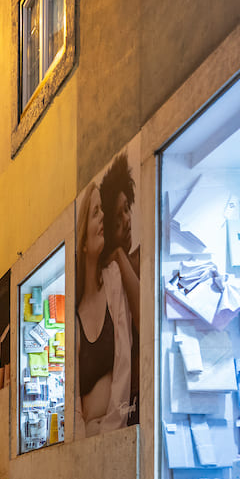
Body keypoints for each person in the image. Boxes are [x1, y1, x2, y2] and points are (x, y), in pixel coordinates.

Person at [75, 182, 135, 437]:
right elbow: (73, 396)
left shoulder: (112, 280)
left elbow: (124, 361)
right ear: (83, 241)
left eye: (102, 210)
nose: (103, 218)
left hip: (113, 431)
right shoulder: (73, 311)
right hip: (85, 437)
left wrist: (111, 429)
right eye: (95, 212)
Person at [99, 153, 140, 424]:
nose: (126, 220)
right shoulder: (108, 277)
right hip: (130, 402)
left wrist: (121, 258)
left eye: (127, 209)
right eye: (117, 216)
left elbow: (145, 318)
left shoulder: (135, 261)